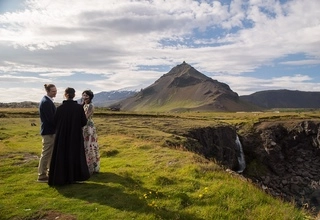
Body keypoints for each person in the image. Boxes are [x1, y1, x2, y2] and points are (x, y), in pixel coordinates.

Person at [48, 87, 90, 186]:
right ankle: (75, 176)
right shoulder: (79, 108)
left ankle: (62, 177)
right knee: (75, 155)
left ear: (65, 95)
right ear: (74, 95)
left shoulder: (60, 108)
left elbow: (54, 122)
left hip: (62, 136)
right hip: (75, 135)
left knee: (62, 155)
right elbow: (84, 121)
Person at [38, 84, 57, 182]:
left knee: (50, 153)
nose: (55, 92)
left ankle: (50, 172)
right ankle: (42, 175)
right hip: (48, 131)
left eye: (55, 90)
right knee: (46, 153)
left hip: (50, 130)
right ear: (48, 91)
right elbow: (51, 119)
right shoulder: (46, 102)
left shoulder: (48, 101)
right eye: (53, 91)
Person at [82, 90, 100, 175]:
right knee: (85, 145)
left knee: (90, 145)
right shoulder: (83, 105)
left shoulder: (90, 106)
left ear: (90, 96)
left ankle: (91, 166)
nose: (85, 97)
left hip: (88, 126)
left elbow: (86, 116)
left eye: (86, 95)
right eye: (83, 95)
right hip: (83, 126)